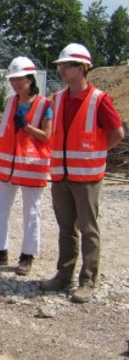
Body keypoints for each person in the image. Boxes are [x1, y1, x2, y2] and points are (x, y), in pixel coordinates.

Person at [40, 43, 124, 303]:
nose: (61, 69)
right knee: (66, 228)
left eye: (65, 65)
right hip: (61, 175)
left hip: (87, 177)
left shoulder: (99, 99)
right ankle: (63, 276)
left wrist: (96, 151)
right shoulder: (59, 98)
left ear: (81, 68)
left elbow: (117, 134)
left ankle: (87, 280)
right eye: (61, 66)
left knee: (88, 229)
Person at [0, 57, 52, 276]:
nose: (16, 84)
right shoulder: (10, 102)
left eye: (20, 79)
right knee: (0, 208)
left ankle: (27, 256)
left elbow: (47, 136)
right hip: (8, 165)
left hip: (31, 165)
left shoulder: (45, 104)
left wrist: (26, 127)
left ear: (30, 79)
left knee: (31, 212)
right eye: (13, 80)